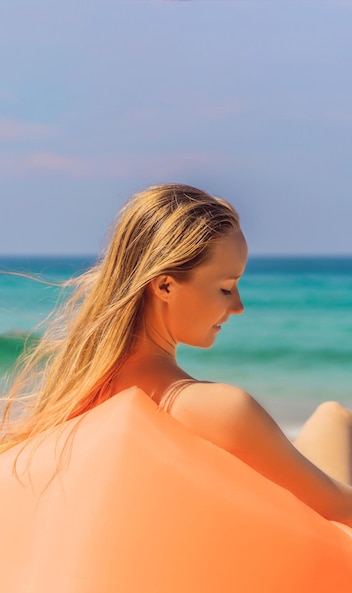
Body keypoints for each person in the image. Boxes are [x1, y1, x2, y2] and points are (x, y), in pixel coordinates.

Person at [1, 182, 352, 529]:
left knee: (330, 417)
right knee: (336, 419)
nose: (238, 306)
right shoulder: (217, 410)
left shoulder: (78, 403)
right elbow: (338, 509)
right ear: (165, 285)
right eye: (226, 288)